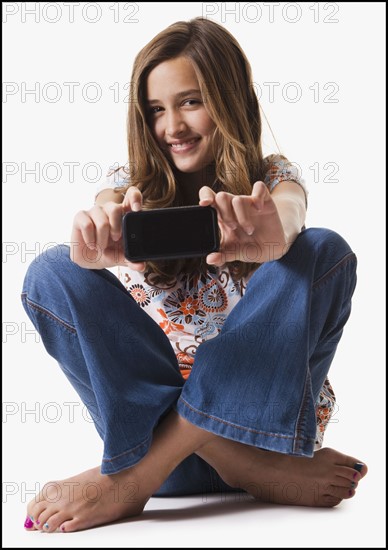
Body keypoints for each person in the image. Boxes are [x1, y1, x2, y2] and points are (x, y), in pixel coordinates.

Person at [21, 17, 367, 534]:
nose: (172, 128)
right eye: (156, 110)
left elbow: (292, 207)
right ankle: (232, 465)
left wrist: (278, 233)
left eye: (190, 102)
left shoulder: (273, 179)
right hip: (172, 450)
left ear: (229, 101)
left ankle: (132, 480)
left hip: (261, 431)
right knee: (51, 268)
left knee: (323, 248)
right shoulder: (129, 188)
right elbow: (107, 203)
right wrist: (96, 233)